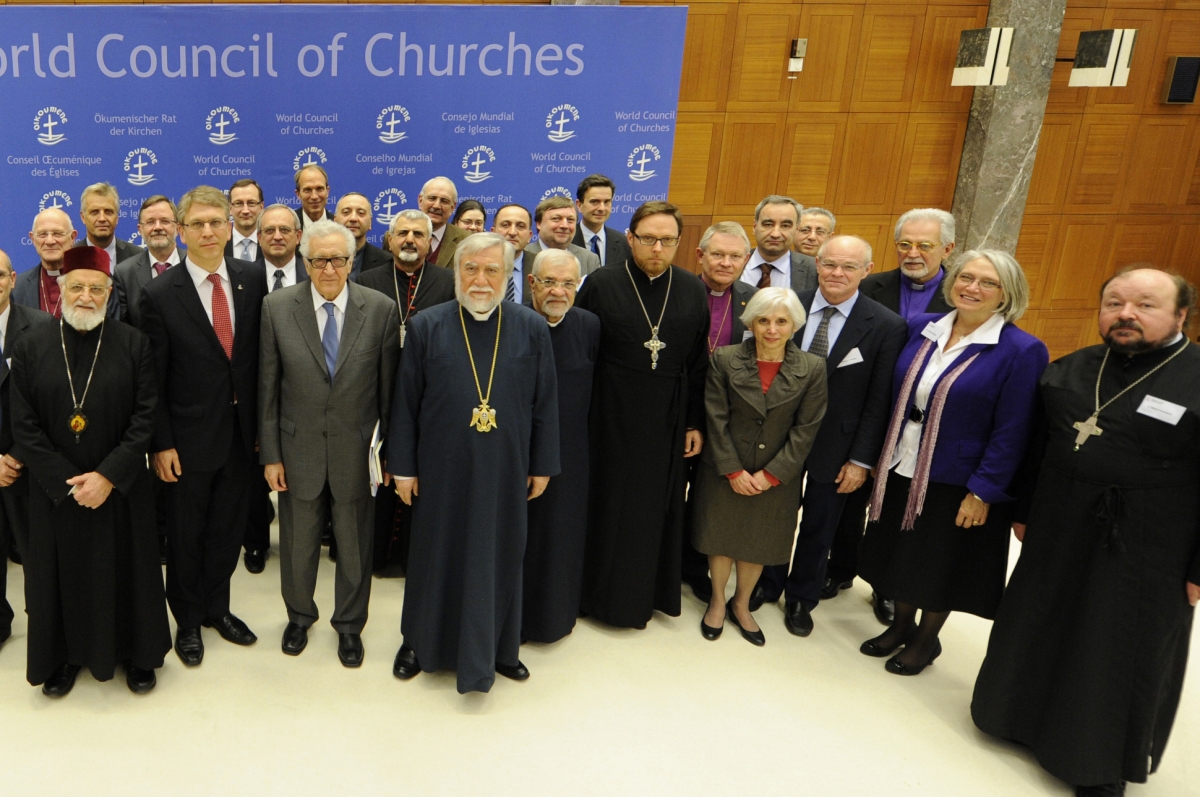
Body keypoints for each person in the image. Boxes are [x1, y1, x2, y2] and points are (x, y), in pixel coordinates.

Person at [972, 267, 1200, 797]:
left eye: (1145, 304)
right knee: (1042, 619)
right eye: (1115, 302)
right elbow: (1038, 448)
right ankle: (1017, 718)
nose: (1126, 313)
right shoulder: (1070, 370)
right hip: (1059, 523)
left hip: (1151, 544)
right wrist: (1024, 509)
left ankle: (1096, 761)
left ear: (1181, 315)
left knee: (1113, 644)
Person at [857, 249, 1047, 675]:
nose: (972, 288)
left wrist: (983, 491)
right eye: (966, 277)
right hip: (901, 464)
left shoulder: (1021, 349)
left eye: (987, 282)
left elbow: (1014, 430)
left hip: (957, 480)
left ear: (1006, 294)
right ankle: (901, 627)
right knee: (902, 554)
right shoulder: (922, 328)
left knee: (938, 564)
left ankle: (926, 641)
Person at [388, 232, 559, 693]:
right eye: (471, 269)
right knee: (433, 555)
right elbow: (404, 404)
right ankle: (418, 642)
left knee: (500, 555)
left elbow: (545, 404)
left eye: (492, 271)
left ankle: (500, 648)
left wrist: (542, 463)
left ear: (508, 276)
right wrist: (402, 467)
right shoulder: (428, 326)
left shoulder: (530, 327)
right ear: (456, 271)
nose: (480, 280)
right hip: (441, 469)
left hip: (506, 470)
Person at [11, 246, 170, 695]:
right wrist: (67, 483)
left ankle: (137, 655)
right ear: (60, 291)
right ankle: (62, 657)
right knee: (58, 576)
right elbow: (24, 425)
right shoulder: (30, 346)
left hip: (119, 488)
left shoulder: (133, 343)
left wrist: (107, 476)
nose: (86, 296)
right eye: (76, 287)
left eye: (95, 288)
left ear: (108, 293)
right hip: (55, 491)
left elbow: (145, 419)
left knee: (127, 571)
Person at [259, 220, 400, 667]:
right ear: (305, 262)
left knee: (355, 546)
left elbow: (388, 392)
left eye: (337, 259)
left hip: (357, 453)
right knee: (298, 544)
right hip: (296, 450)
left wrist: (389, 455)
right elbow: (268, 388)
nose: (328, 268)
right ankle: (299, 616)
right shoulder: (276, 307)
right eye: (318, 260)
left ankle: (349, 626)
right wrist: (271, 455)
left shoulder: (379, 309)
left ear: (351, 261)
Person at [139, 186, 266, 667]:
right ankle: (188, 621)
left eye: (217, 222)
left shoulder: (251, 279)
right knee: (187, 534)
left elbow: (255, 359)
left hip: (241, 435)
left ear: (230, 226)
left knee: (227, 530)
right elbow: (152, 378)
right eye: (198, 224)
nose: (209, 231)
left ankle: (219, 609)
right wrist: (162, 444)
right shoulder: (158, 293)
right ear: (180, 231)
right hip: (188, 441)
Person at [755, 236, 906, 636]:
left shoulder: (886, 325)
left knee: (821, 524)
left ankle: (802, 599)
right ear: (816, 264)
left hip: (838, 445)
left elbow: (879, 401)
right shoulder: (786, 305)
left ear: (867, 271)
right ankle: (767, 583)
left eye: (849, 267)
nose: (837, 274)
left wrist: (861, 460)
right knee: (775, 514)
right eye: (830, 264)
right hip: (780, 437)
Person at [575, 201, 709, 629]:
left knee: (652, 511)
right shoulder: (601, 282)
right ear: (630, 238)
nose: (657, 248)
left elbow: (696, 363)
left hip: (665, 419)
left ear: (678, 243)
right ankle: (591, 594)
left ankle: (642, 596)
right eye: (648, 238)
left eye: (667, 240)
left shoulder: (691, 289)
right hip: (607, 415)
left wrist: (693, 422)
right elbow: (582, 353)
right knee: (605, 501)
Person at [833, 208, 958, 622]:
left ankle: (885, 586)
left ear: (948, 248)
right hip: (867, 405)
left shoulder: (960, 296)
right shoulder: (869, 286)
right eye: (904, 244)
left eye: (924, 245)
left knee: (897, 503)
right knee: (851, 494)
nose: (913, 253)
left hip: (923, 415)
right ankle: (840, 569)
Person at [692, 287, 827, 645]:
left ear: (794, 325)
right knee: (720, 538)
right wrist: (733, 470)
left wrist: (771, 475)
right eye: (763, 320)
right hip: (725, 470)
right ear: (750, 321)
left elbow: (806, 429)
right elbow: (714, 417)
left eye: (781, 321)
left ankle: (742, 604)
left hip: (775, 476)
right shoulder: (724, 358)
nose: (771, 328)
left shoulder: (813, 367)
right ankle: (718, 601)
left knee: (758, 541)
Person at [357, 209, 454, 574]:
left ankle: (417, 556)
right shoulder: (366, 280)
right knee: (378, 476)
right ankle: (377, 555)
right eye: (402, 233)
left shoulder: (447, 282)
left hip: (429, 393)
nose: (410, 240)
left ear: (430, 242)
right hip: (376, 388)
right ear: (390, 239)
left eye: (418, 234)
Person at [522, 248, 600, 643]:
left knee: (558, 539)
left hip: (570, 454)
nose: (558, 291)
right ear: (531, 283)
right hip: (518, 454)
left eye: (568, 283)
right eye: (549, 282)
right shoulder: (512, 323)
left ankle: (552, 619)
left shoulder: (589, 326)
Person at [681, 222, 755, 603]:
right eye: (718, 254)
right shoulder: (680, 291)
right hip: (681, 412)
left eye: (735, 256)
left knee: (710, 498)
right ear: (701, 256)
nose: (726, 263)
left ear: (746, 260)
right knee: (676, 490)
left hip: (729, 421)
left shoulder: (754, 299)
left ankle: (698, 569)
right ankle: (673, 561)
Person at [0, 249, 53, 653]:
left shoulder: (39, 326)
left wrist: (16, 455)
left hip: (26, 465)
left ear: (13, 279)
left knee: (37, 558)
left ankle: (47, 634)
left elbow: (48, 402)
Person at [16, 208, 119, 320]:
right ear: (32, 239)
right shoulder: (18, 287)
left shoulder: (99, 282)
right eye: (42, 234)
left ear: (72, 237)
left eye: (57, 234)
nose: (50, 241)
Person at [114, 196, 185, 328]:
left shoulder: (195, 263)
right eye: (150, 222)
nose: (158, 227)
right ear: (140, 229)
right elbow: (123, 330)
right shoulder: (124, 273)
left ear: (177, 227)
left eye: (164, 221)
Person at [523, 197, 601, 296]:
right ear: (539, 224)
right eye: (556, 219)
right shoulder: (523, 256)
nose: (564, 225)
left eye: (570, 220)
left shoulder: (589, 259)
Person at [740, 196, 817, 294]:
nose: (775, 234)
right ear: (755, 227)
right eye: (768, 224)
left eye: (785, 226)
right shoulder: (734, 262)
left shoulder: (815, 270)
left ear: (797, 230)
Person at [73, 182, 143, 267]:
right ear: (83, 217)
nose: (102, 218)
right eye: (94, 212)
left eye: (108, 212)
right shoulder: (70, 257)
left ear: (117, 217)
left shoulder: (138, 256)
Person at [573, 173, 633, 268]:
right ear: (579, 205)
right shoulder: (566, 240)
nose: (602, 208)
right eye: (594, 202)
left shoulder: (623, 243)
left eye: (606, 202)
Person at [335, 192, 391, 281]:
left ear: (370, 223)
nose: (353, 218)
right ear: (335, 220)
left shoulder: (387, 262)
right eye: (346, 212)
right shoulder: (317, 258)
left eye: (361, 213)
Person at [418, 176, 468, 267]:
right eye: (432, 198)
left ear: (452, 207)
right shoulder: (397, 237)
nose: (437, 206)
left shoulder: (466, 241)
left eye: (444, 201)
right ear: (420, 201)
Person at [491, 203, 536, 306]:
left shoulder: (540, 265)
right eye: (505, 225)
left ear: (529, 236)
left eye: (520, 226)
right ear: (493, 232)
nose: (512, 232)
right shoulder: (479, 265)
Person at [260, 204, 308, 294]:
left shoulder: (312, 274)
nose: (277, 237)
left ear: (298, 236)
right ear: (259, 238)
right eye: (270, 230)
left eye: (284, 230)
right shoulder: (246, 278)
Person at [225, 179, 265, 263]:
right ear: (230, 208)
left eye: (251, 203)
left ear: (261, 207)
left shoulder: (272, 242)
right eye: (238, 203)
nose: (245, 210)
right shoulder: (219, 244)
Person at [295, 165, 333, 231]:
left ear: (327, 191)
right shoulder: (290, 224)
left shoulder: (339, 223)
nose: (314, 196)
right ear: (298, 194)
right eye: (307, 190)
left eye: (319, 189)